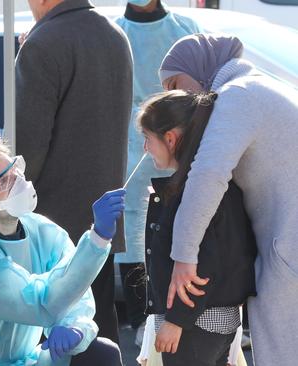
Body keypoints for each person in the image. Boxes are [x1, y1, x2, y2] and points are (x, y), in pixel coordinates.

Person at [0, 137, 125, 366]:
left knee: (101, 354)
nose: (18, 182)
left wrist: (74, 326)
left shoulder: (41, 230)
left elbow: (76, 294)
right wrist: (97, 239)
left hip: (21, 360)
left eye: (14, 169)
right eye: (2, 183)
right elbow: (38, 304)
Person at [158, 33, 298, 365]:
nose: (176, 95)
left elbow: (208, 175)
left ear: (200, 68)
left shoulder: (237, 97)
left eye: (176, 82)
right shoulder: (265, 85)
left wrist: (184, 256)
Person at [15, 0, 132, 347]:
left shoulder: (45, 42)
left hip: (51, 223)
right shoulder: (114, 34)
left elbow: (26, 150)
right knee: (99, 333)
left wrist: (5, 205)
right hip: (101, 217)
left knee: (49, 340)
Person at [137, 90, 256, 365]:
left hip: (194, 327)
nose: (145, 149)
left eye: (147, 139)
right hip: (210, 323)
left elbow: (203, 265)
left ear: (170, 139)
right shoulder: (211, 186)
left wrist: (176, 321)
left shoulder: (193, 194)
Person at [113, 0, 200, 346]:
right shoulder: (116, 31)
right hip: (133, 140)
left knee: (184, 221)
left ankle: (181, 312)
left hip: (182, 140)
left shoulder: (184, 28)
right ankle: (140, 318)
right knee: (135, 230)